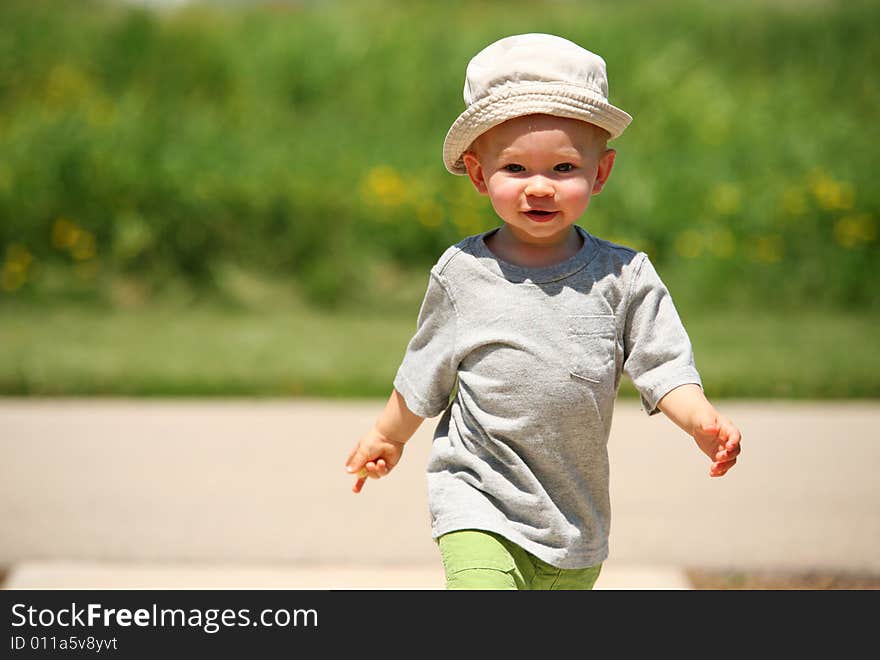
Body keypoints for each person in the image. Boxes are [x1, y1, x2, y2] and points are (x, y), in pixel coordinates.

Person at [344, 33, 742, 590]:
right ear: (480, 175)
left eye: (562, 168)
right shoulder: (462, 274)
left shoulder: (623, 278)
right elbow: (424, 371)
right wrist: (389, 436)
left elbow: (663, 365)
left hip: (574, 523)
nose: (539, 188)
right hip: (477, 499)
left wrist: (700, 419)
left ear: (599, 174)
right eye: (514, 169)